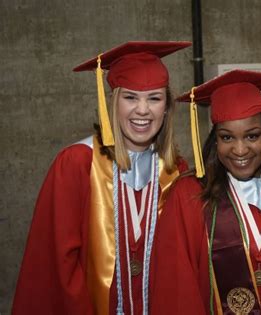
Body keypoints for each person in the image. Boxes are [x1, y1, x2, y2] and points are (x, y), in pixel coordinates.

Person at [12, 41, 190, 315]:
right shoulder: (77, 164)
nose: (142, 110)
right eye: (130, 97)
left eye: (154, 98)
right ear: (113, 102)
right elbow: (58, 264)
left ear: (166, 108)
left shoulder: (174, 170)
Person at [152, 69, 261, 314]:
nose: (239, 150)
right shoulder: (189, 195)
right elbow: (175, 287)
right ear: (215, 142)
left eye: (252, 136)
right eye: (227, 137)